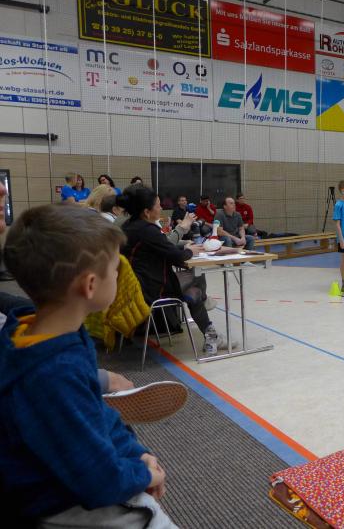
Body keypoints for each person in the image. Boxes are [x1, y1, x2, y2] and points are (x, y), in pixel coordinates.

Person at [0, 204, 176, 527]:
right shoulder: (52, 374)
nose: (119, 275)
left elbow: (98, 414)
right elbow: (97, 479)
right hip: (57, 502)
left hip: (74, 478)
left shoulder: (40, 332)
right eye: (115, 268)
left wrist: (137, 453)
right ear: (90, 285)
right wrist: (143, 474)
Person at [119, 185, 230, 355]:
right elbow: (176, 256)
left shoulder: (129, 226)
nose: (161, 208)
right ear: (147, 212)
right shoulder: (147, 230)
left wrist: (184, 247)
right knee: (197, 276)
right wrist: (190, 251)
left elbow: (161, 247)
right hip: (151, 288)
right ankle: (207, 307)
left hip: (134, 286)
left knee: (193, 293)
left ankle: (211, 335)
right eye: (158, 205)